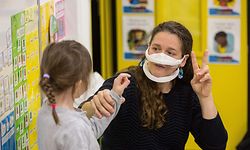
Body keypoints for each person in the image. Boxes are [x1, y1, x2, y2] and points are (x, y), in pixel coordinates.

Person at [81, 21, 228, 149]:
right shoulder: (125, 82)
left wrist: (205, 97)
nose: (160, 56)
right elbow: (82, 114)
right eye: (156, 48)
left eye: (170, 52)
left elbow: (216, 145)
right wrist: (96, 104)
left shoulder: (186, 93)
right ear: (148, 49)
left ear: (183, 60)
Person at [37, 40, 130, 150]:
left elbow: (89, 130)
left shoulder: (47, 109)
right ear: (78, 84)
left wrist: (114, 96)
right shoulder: (74, 128)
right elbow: (82, 132)